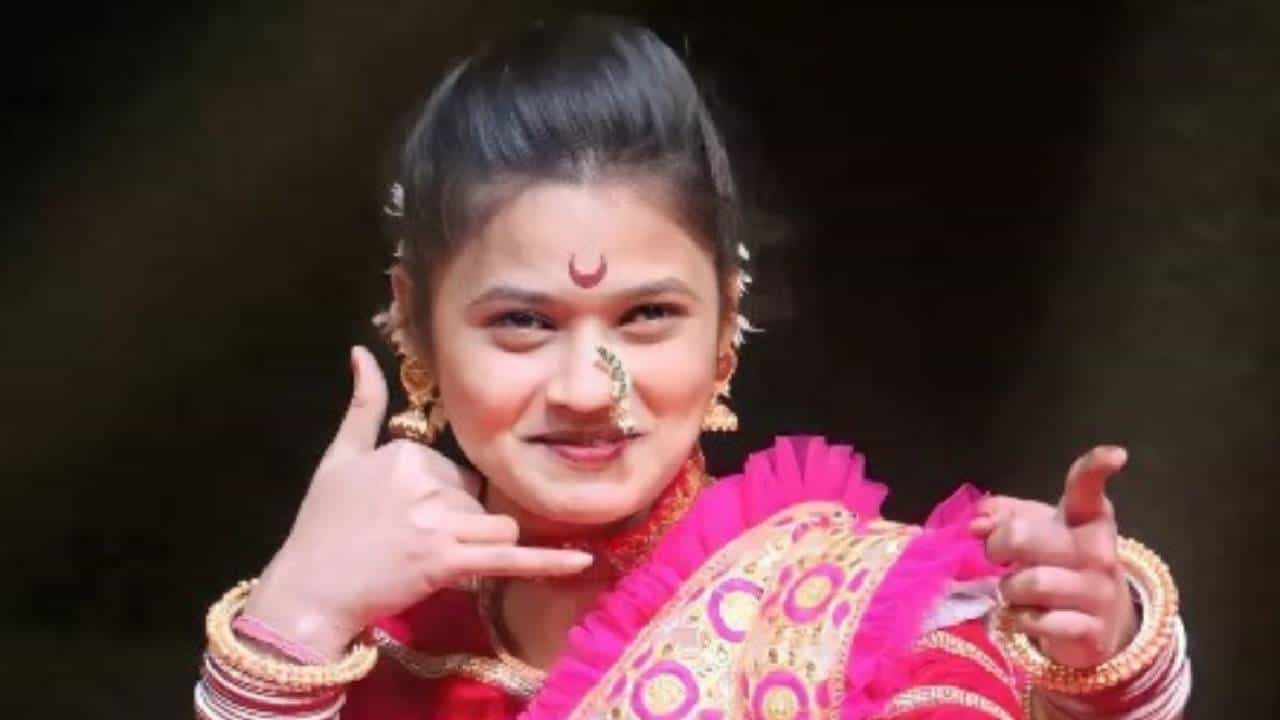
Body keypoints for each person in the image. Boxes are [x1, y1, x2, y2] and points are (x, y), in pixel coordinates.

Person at [195, 15, 1189, 719]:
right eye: (522, 323)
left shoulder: (850, 617)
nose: (590, 389)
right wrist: (296, 618)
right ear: (414, 324)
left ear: (725, 324)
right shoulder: (360, 641)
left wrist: (1094, 661)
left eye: (647, 317)